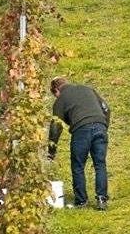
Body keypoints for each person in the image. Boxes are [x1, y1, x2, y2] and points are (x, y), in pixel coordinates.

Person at [47, 77, 112, 210]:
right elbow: (106, 109)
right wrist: (103, 126)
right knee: (100, 164)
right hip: (100, 127)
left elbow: (56, 127)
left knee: (78, 165)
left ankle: (81, 202)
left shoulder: (61, 100)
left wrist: (51, 151)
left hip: (82, 131)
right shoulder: (87, 89)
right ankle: (101, 199)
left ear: (56, 90)